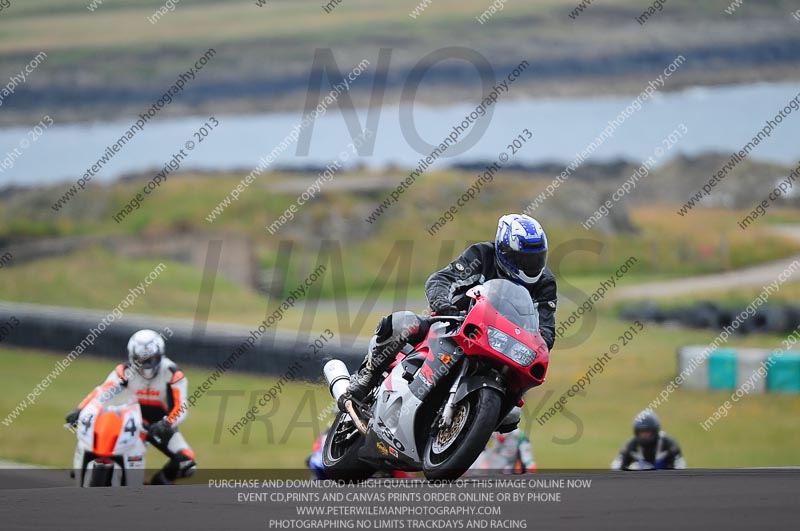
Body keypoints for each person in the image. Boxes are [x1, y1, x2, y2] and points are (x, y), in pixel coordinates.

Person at [344, 214, 558, 414]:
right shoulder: (482, 255)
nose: (530, 266)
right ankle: (366, 379)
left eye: (535, 259)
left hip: (505, 345)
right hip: (457, 324)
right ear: (503, 250)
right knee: (401, 323)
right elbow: (441, 279)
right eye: (522, 259)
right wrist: (444, 305)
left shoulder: (545, 283)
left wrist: (537, 344)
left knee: (514, 413)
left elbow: (546, 330)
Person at [66, 329, 196, 485]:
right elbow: (102, 391)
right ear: (132, 356)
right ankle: (82, 469)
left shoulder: (173, 374)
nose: (146, 365)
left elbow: (181, 407)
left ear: (161, 355)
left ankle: (157, 488)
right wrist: (79, 410)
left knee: (186, 462)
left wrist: (166, 423)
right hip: (129, 421)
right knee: (98, 439)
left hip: (160, 425)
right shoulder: (124, 371)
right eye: (141, 359)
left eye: (151, 359)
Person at [611, 410, 686, 470]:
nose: (644, 435)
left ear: (655, 430)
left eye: (647, 432)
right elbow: (616, 467)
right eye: (641, 432)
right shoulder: (630, 445)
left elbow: (680, 469)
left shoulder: (670, 445)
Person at [466, 428, 537, 476]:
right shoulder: (486, 432)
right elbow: (474, 453)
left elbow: (528, 461)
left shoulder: (520, 437)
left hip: (507, 472)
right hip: (484, 471)